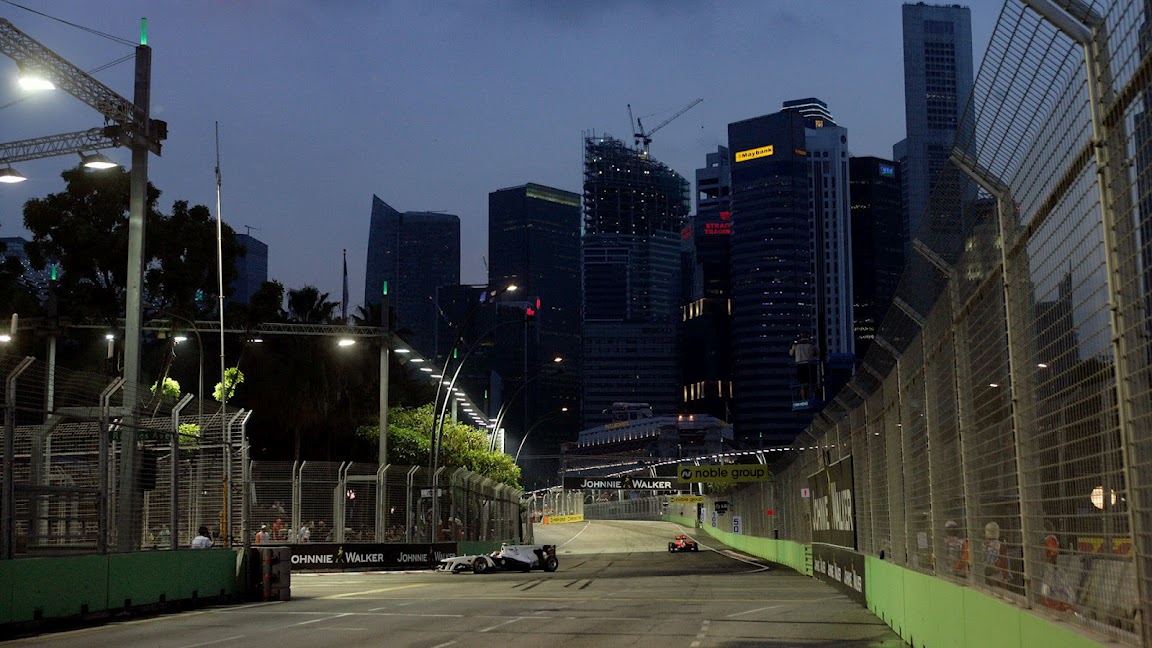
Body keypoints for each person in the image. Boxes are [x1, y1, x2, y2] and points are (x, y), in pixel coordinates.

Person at [982, 522, 1010, 587]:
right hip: (997, 577)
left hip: (990, 576)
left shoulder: (983, 545)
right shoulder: (1001, 545)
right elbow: (1004, 563)